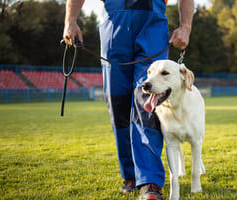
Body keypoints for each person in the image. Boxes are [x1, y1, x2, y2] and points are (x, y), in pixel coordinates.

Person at [63, 0, 194, 199]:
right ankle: (130, 175)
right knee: (118, 105)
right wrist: (70, 20)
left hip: (153, 29)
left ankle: (149, 181)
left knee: (147, 102)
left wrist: (185, 27)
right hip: (114, 29)